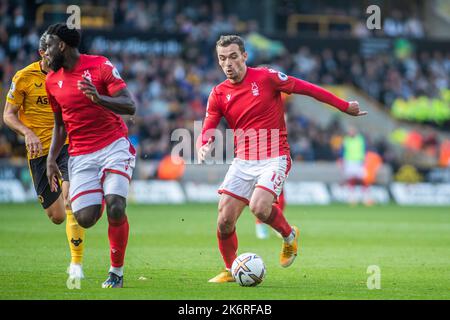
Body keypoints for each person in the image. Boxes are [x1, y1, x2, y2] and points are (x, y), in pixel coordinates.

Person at [198, 35, 367, 283]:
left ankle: (289, 237)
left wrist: (343, 106)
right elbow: (209, 124)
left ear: (245, 56)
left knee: (259, 207)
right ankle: (231, 268)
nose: (228, 64)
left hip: (274, 157)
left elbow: (308, 88)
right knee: (224, 221)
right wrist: (204, 143)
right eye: (222, 59)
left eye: (233, 57)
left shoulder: (266, 78)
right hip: (243, 161)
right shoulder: (218, 93)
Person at [44, 23, 136, 288]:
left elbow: (129, 105)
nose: (45, 52)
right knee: (85, 218)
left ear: (62, 45)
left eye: (49, 46)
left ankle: (116, 272)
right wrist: (51, 159)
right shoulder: (52, 80)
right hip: (81, 154)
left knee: (117, 206)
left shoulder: (100, 66)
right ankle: (106, 193)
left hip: (113, 145)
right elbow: (60, 125)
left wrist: (99, 99)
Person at [3, 31, 86, 280]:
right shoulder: (24, 77)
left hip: (68, 145)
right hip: (39, 152)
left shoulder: (68, 73)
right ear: (42, 53)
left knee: (72, 200)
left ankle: (76, 265)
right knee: (57, 216)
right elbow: (8, 115)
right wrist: (27, 132)